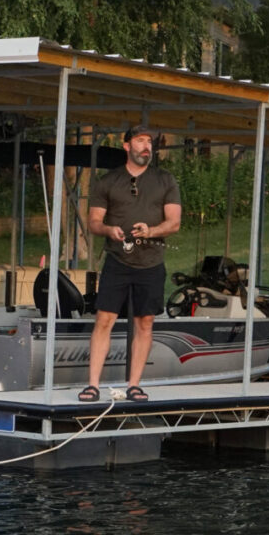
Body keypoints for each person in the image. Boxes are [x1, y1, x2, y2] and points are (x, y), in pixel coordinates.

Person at [79, 124, 181, 402]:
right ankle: (92, 386)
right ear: (127, 146)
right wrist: (109, 230)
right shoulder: (108, 181)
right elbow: (94, 221)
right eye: (140, 140)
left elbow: (174, 222)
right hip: (117, 259)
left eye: (150, 141)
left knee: (145, 321)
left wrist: (151, 231)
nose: (146, 145)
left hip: (151, 261)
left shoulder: (165, 179)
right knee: (104, 319)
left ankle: (134, 385)